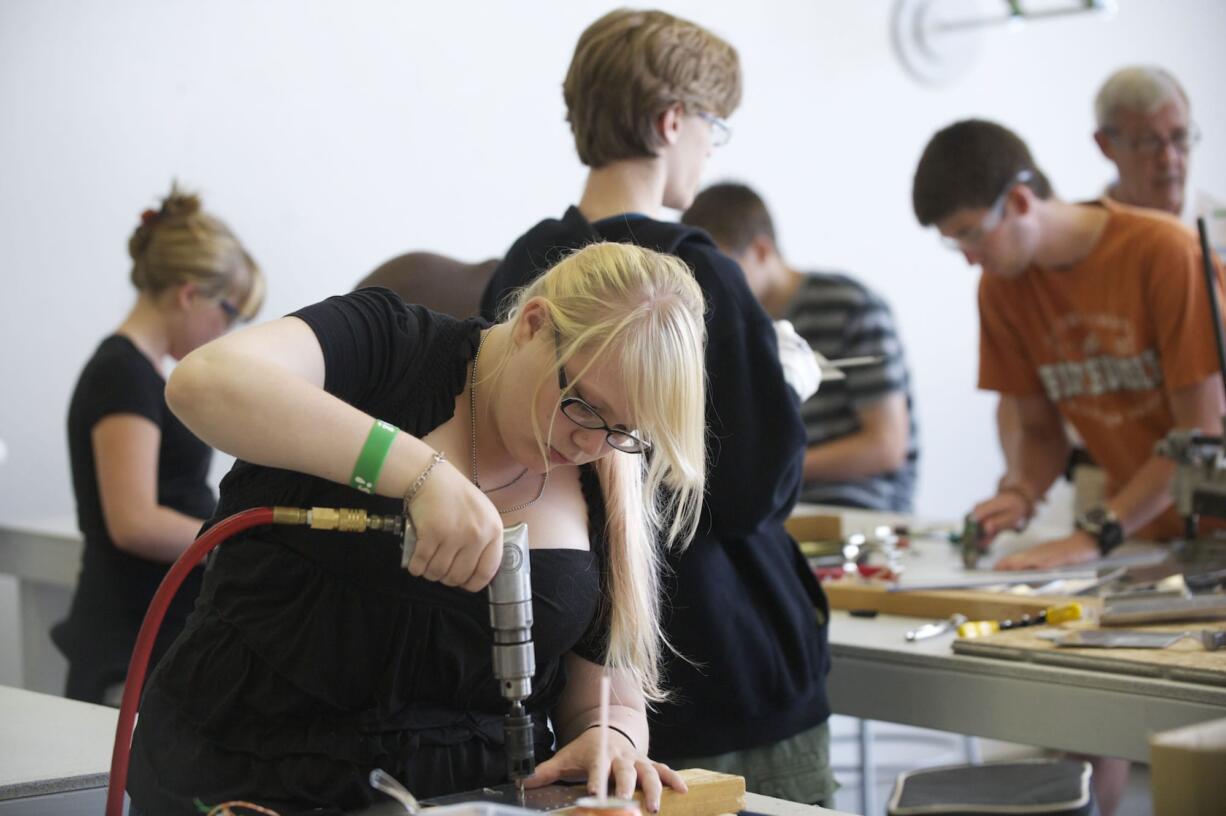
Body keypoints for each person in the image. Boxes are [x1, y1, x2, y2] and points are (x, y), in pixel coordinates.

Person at [126, 242, 708, 815]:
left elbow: (606, 698)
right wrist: (416, 473)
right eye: (582, 404)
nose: (588, 444)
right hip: (241, 782)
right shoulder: (388, 345)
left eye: (623, 430)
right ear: (534, 324)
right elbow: (203, 381)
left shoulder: (604, 473)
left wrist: (615, 737)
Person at [481, 9, 835, 805]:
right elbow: (750, 491)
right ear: (675, 120)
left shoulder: (525, 265)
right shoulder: (699, 274)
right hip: (727, 669)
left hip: (585, 683)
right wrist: (782, 387)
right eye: (713, 128)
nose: (710, 151)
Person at [913, 119, 1225, 816]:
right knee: (1085, 712)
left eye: (969, 233)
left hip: (1207, 519)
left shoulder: (1163, 252)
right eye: (951, 241)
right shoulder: (1003, 286)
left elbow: (1199, 431)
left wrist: (1094, 534)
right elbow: (1037, 428)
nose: (966, 257)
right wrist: (1020, 491)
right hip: (1140, 531)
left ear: (1020, 201)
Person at [53, 185, 263, 706]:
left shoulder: (141, 374)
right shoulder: (120, 375)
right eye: (230, 313)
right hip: (129, 642)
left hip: (152, 629)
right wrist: (235, 539)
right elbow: (134, 520)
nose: (227, 332)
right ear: (189, 294)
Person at [682, 182, 919, 512]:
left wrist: (773, 468)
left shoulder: (851, 306)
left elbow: (887, 446)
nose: (711, 286)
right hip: (775, 504)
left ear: (762, 250)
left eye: (721, 268)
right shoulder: (723, 327)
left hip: (857, 507)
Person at [1094, 65, 1197, 217]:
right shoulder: (1078, 236)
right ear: (1105, 144)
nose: (1168, 159)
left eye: (1179, 137)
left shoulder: (1221, 226)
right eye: (1149, 142)